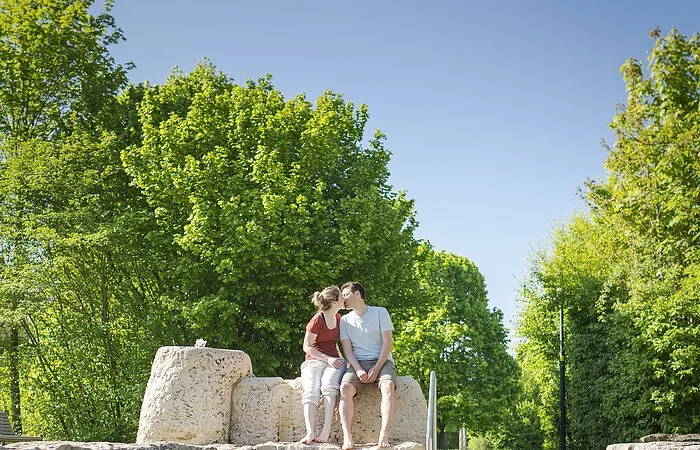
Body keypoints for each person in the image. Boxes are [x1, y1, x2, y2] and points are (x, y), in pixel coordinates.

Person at [338, 282, 397, 450]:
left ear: (358, 294)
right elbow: (347, 349)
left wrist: (377, 368)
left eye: (346, 295)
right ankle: (347, 437)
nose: (343, 299)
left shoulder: (380, 312)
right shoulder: (344, 320)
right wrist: (357, 369)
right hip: (358, 363)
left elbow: (387, 343)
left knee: (387, 386)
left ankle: (383, 435)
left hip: (382, 360)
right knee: (345, 388)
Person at [300, 285, 347, 444]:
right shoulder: (317, 320)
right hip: (314, 360)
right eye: (342, 296)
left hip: (333, 361)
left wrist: (341, 359)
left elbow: (334, 344)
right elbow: (307, 346)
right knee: (311, 390)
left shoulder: (339, 319)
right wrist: (327, 359)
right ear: (334, 301)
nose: (344, 299)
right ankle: (310, 432)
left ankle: (326, 429)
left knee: (329, 386)